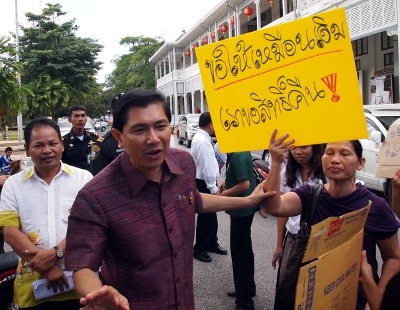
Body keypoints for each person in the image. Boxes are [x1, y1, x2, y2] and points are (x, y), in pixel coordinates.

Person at [64, 88, 274, 310]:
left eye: (160, 126)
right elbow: (83, 267)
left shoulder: (183, 163)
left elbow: (194, 199)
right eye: (139, 130)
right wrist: (101, 295)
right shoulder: (95, 196)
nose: (153, 139)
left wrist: (248, 201)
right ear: (119, 137)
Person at [261, 130, 400, 310]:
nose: (335, 159)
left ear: (361, 163)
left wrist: (376, 295)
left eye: (344, 153)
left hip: (355, 301)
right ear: (322, 159)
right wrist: (276, 162)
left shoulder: (376, 206)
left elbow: (394, 258)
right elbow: (273, 206)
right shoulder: (310, 195)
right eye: (329, 153)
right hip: (312, 298)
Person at [0, 118, 93, 309]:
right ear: (27, 149)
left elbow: (89, 226)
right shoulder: (13, 185)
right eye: (39, 145)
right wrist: (47, 267)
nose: (47, 150)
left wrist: (56, 253)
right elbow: (10, 232)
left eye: (53, 143)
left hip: (81, 285)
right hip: (32, 289)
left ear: (62, 145)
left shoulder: (83, 179)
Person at [270, 144, 326, 278]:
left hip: (318, 242)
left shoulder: (325, 174)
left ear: (315, 147)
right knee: (287, 285)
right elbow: (282, 212)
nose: (298, 152)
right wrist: (279, 245)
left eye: (304, 147)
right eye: (294, 148)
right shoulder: (287, 173)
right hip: (293, 240)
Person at [219, 151, 258, 310]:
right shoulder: (242, 151)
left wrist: (221, 196)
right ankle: (248, 288)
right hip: (246, 208)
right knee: (245, 249)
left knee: (239, 253)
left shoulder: (237, 155)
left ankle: (244, 302)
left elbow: (244, 185)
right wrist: (226, 183)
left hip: (241, 209)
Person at [191, 112, 227, 263]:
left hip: (205, 182)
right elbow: (206, 167)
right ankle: (199, 248)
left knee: (211, 215)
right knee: (206, 216)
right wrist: (213, 188)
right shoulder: (203, 141)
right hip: (205, 183)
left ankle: (212, 242)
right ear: (211, 124)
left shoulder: (203, 138)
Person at [90, 95, 124, 176]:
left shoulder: (139, 138)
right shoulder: (102, 145)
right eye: (123, 110)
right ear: (113, 113)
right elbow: (97, 178)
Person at [62, 105, 97, 171]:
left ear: (86, 118)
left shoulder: (94, 138)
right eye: (76, 116)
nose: (80, 119)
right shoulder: (64, 142)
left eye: (83, 115)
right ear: (70, 120)